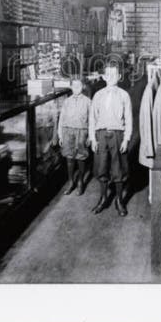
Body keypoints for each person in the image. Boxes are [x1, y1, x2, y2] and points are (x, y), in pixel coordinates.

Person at [89, 61, 133, 217]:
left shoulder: (124, 95)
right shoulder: (98, 95)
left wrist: (126, 139)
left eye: (114, 74)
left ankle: (119, 200)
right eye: (108, 74)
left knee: (118, 168)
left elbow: (129, 119)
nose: (111, 77)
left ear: (119, 76)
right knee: (101, 167)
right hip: (101, 135)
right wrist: (93, 138)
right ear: (103, 76)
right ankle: (103, 198)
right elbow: (92, 118)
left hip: (117, 135)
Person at [57, 77, 91, 196]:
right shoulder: (67, 101)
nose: (76, 88)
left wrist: (90, 136)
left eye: (79, 86)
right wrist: (60, 135)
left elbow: (92, 120)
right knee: (69, 158)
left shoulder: (88, 101)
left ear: (83, 87)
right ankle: (71, 181)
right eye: (74, 86)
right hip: (68, 131)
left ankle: (80, 181)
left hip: (82, 132)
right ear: (71, 87)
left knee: (81, 157)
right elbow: (61, 119)